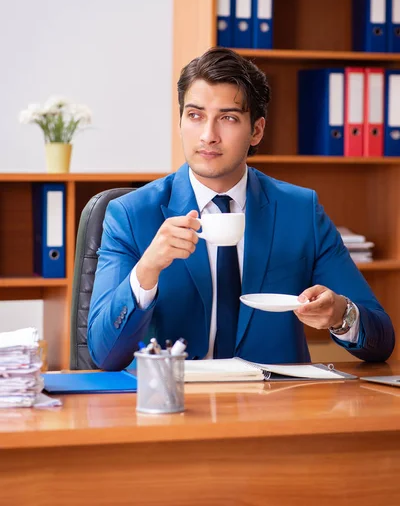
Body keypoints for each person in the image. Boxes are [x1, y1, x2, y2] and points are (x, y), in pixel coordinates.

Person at [88, 47, 395, 370]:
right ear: (180, 122)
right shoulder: (131, 215)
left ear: (257, 130)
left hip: (273, 407)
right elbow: (104, 355)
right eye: (195, 116)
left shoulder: (300, 211)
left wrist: (341, 315)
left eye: (228, 118)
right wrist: (147, 270)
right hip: (171, 404)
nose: (209, 136)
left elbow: (381, 341)